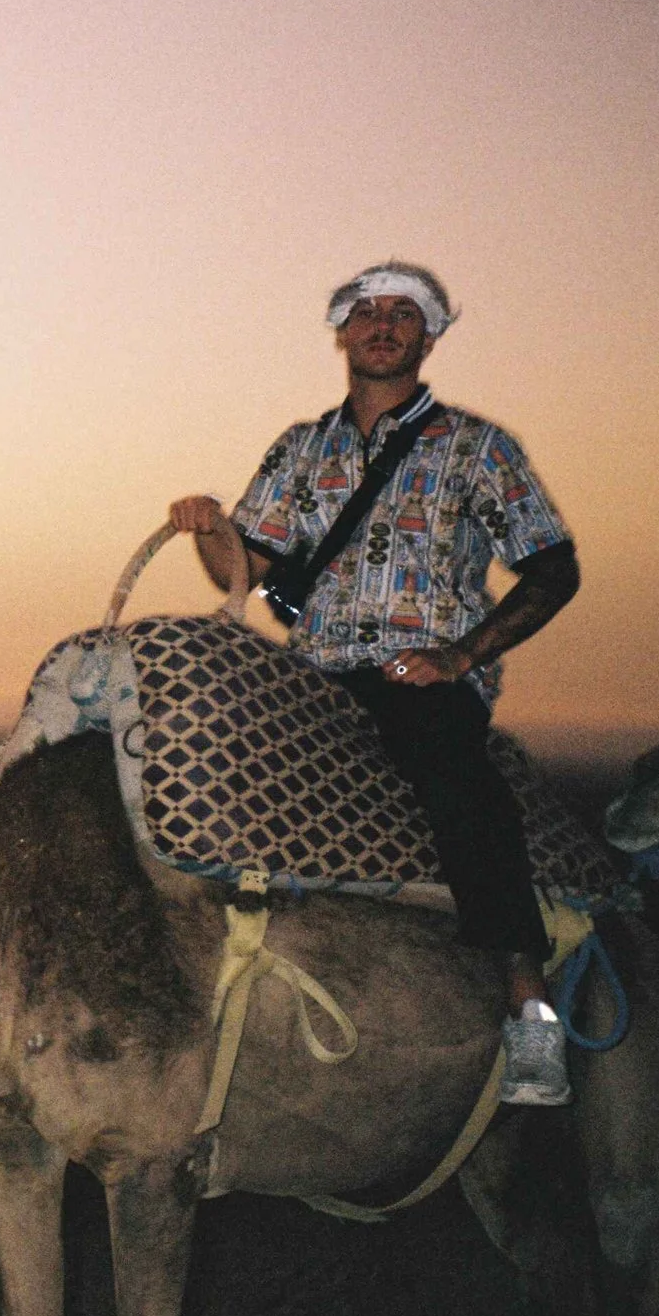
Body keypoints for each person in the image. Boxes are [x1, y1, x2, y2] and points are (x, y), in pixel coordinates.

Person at [168, 261, 581, 1106]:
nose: (383, 325)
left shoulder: (477, 448)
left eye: (404, 314)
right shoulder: (301, 448)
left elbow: (552, 570)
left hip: (416, 669)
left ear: (427, 339)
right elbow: (241, 573)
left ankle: (526, 1003)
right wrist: (209, 527)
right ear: (342, 334)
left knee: (455, 774)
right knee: (193, 746)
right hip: (313, 672)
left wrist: (461, 657)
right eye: (367, 313)